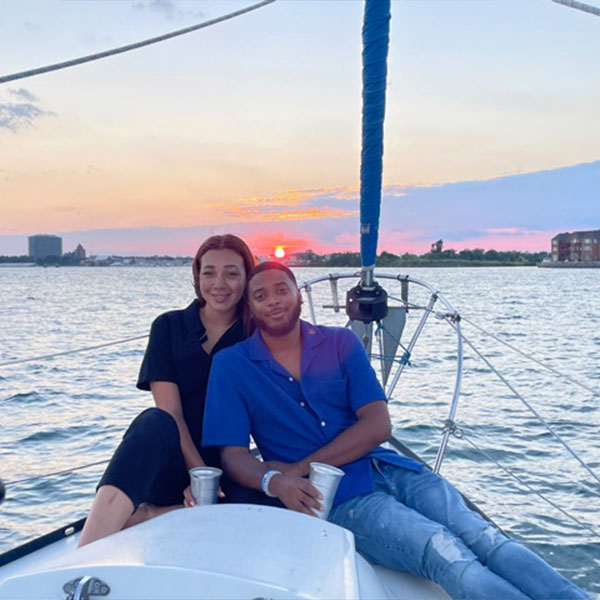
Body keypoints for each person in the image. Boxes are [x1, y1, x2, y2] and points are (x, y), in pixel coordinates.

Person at [202, 261, 589, 600]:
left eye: (282, 290)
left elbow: (378, 425)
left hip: (396, 469)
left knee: (486, 539)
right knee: (444, 553)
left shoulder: (340, 343)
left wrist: (298, 468)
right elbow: (233, 456)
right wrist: (276, 482)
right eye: (261, 295)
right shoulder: (232, 366)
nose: (274, 300)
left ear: (298, 296)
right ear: (249, 308)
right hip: (341, 499)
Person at [78, 234, 278, 548]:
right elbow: (171, 412)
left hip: (229, 466)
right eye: (209, 272)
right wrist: (200, 476)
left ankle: (152, 515)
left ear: (246, 278)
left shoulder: (256, 337)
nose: (219, 283)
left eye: (232, 273)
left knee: (267, 510)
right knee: (154, 421)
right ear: (197, 277)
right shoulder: (169, 327)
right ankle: (83, 554)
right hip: (172, 461)